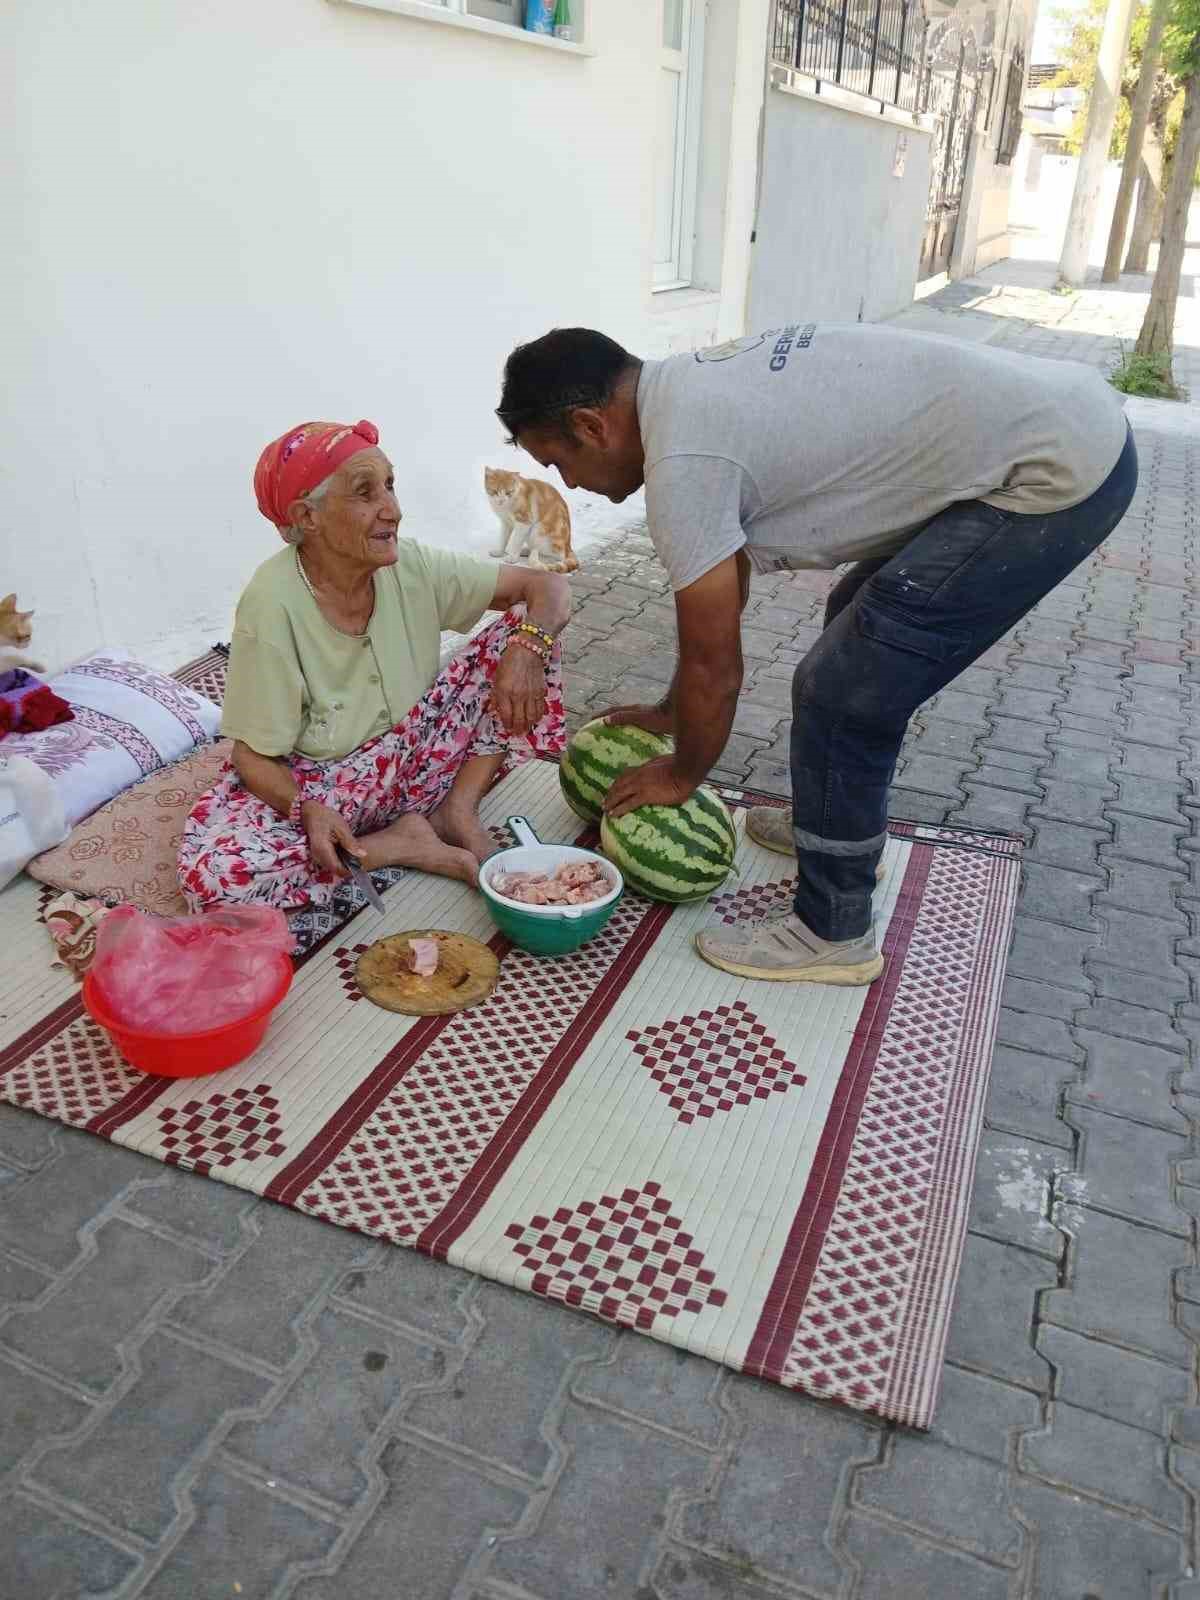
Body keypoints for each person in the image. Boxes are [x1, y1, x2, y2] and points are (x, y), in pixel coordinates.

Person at [495, 324, 1136, 984]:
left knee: (842, 693)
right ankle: (831, 824)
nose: (569, 484)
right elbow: (724, 584)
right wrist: (670, 711)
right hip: (1062, 422)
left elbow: (719, 667)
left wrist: (682, 772)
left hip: (1055, 479)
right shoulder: (683, 389)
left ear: (591, 426)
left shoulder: (684, 466)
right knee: (855, 629)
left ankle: (835, 931)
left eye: (559, 463)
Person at [179, 418, 569, 911]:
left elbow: (549, 588)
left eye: (390, 485)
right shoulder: (271, 604)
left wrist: (526, 650)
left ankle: (458, 810)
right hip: (330, 787)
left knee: (529, 630)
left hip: (422, 756)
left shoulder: (411, 563)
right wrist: (305, 809)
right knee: (215, 881)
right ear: (309, 516)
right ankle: (400, 844)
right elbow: (252, 756)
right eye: (366, 493)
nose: (394, 510)